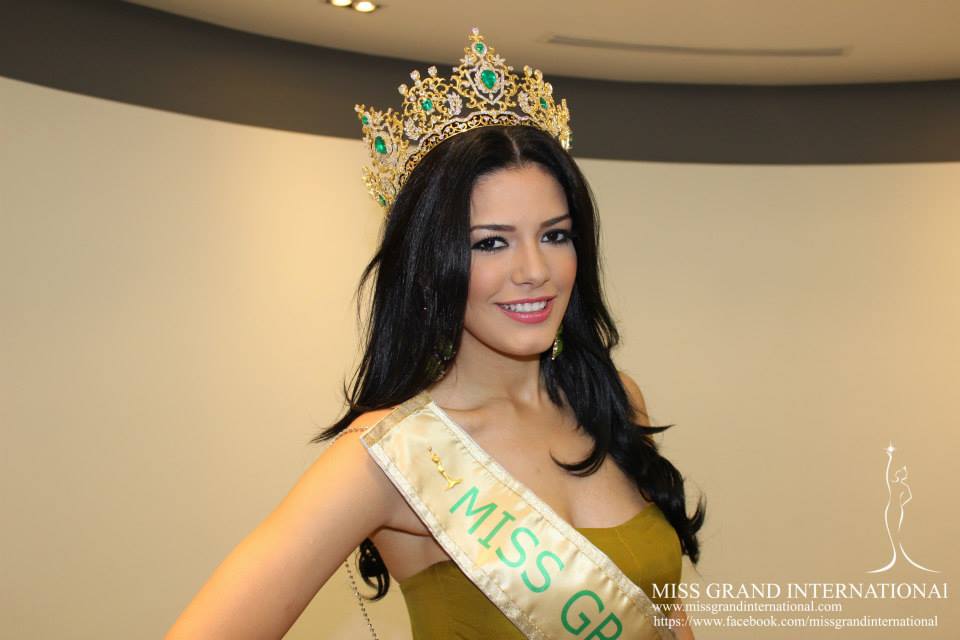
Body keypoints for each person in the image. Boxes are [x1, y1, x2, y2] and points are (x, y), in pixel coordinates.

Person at [165, 28, 705, 640]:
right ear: (428, 265)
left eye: (555, 235)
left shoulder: (614, 400)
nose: (535, 270)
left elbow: (665, 617)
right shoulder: (392, 454)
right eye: (491, 243)